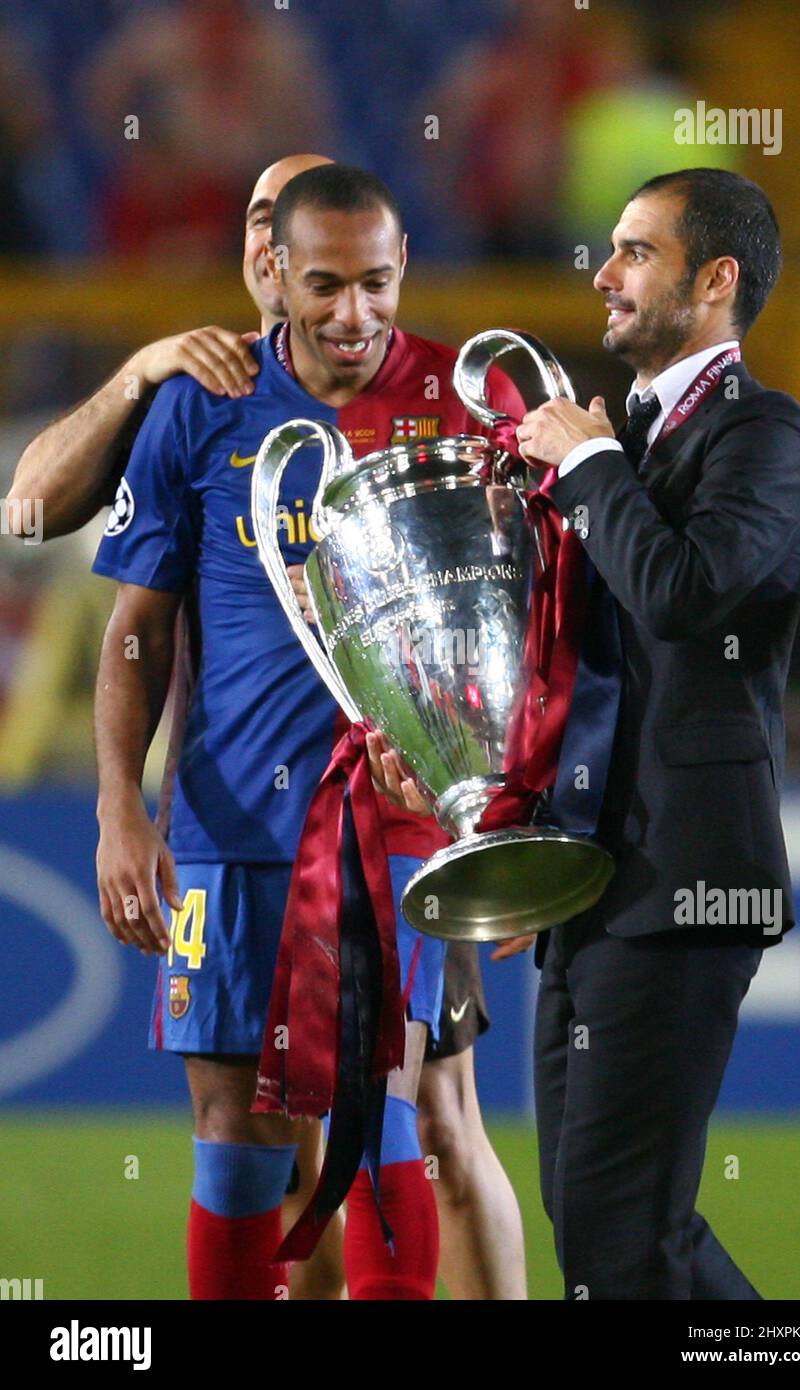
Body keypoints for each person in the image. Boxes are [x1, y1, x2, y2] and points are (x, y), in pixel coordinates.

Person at [6, 154, 527, 1300]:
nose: (356, 315)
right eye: (328, 285)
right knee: (233, 1138)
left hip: (386, 830)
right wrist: (116, 810)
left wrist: (502, 811)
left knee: (384, 1121)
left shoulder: (454, 400)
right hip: (224, 832)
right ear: (274, 272)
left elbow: (522, 616)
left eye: (379, 284)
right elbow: (132, 631)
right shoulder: (198, 402)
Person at [374, 167, 800, 1298]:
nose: (603, 274)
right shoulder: (612, 437)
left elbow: (683, 592)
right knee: (600, 1227)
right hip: (584, 878)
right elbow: (560, 650)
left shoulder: (759, 431)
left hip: (685, 877)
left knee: (622, 1235)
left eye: (634, 251)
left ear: (713, 281)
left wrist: (586, 466)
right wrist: (476, 781)